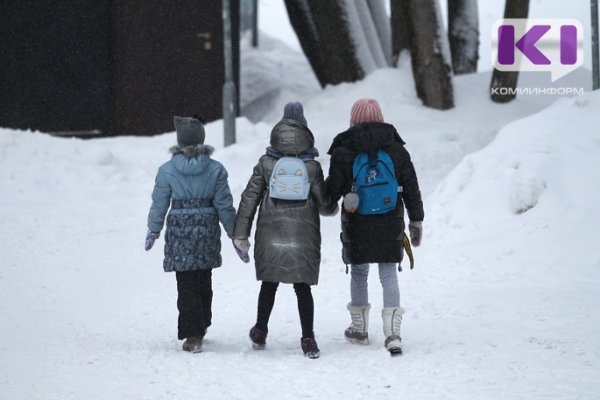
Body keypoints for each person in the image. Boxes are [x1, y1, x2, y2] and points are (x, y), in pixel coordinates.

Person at [232, 102, 338, 359]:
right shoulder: (312, 166)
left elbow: (249, 198)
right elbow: (324, 205)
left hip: (271, 235)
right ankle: (308, 339)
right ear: (304, 128)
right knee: (302, 288)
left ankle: (260, 330)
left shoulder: (266, 163)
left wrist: (241, 234)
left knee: (269, 284)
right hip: (304, 238)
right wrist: (335, 206)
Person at [325, 98, 424, 355]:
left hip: (357, 222)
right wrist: (416, 220)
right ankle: (393, 334)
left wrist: (327, 204)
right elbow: (411, 187)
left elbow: (332, 190)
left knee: (359, 272)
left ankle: (359, 330)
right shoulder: (396, 150)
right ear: (381, 118)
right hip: (389, 219)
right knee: (388, 272)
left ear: (352, 120)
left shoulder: (344, 150)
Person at [145, 115, 242, 353]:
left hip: (179, 231)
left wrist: (153, 229)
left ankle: (192, 334)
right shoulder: (216, 169)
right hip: (206, 229)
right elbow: (224, 205)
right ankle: (203, 321)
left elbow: (159, 203)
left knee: (185, 282)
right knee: (203, 279)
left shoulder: (167, 171)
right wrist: (235, 235)